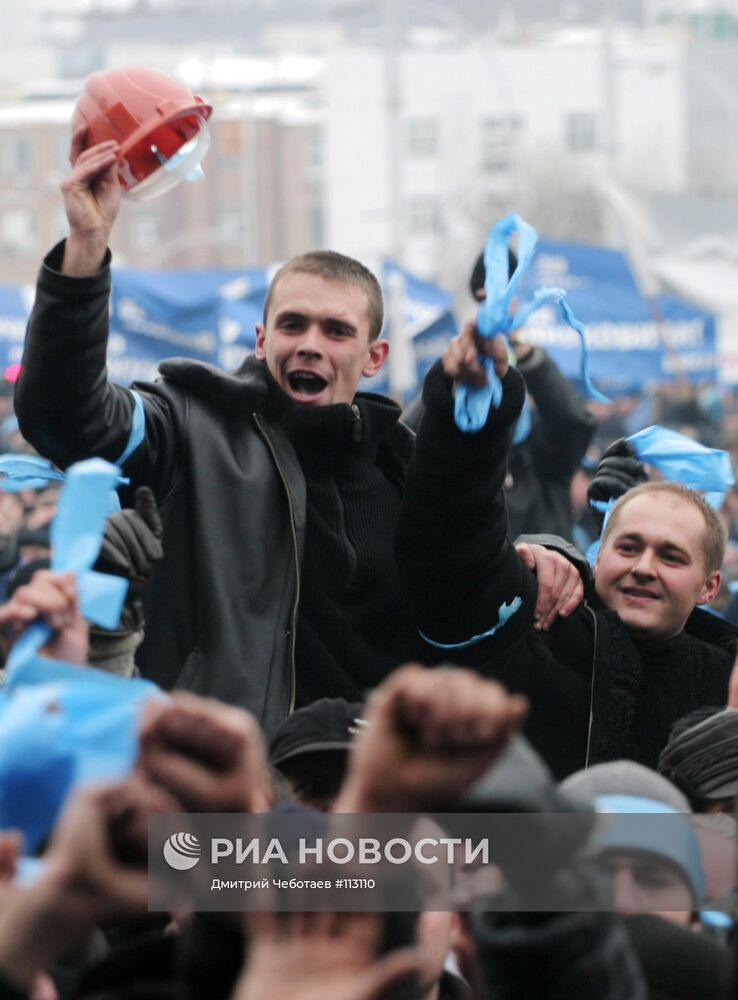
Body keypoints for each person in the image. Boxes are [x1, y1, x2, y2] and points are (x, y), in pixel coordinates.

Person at [15, 135, 580, 735]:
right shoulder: (189, 431)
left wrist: (550, 554)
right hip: (230, 790)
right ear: (262, 342)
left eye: (337, 330)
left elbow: (471, 550)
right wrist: (85, 249)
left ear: (373, 356)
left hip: (380, 794)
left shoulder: (406, 466)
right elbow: (68, 417)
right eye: (293, 324)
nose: (310, 342)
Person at [395, 323, 737, 778]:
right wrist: (471, 419)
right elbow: (450, 546)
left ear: (710, 587)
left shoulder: (725, 683)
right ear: (596, 556)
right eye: (629, 547)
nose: (643, 568)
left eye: (671, 556)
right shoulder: (537, 625)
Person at [403, 249, 596, 541]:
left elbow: (573, 421)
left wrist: (524, 351)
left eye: (506, 382)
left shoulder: (542, 458)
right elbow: (404, 442)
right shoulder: (454, 461)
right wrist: (451, 370)